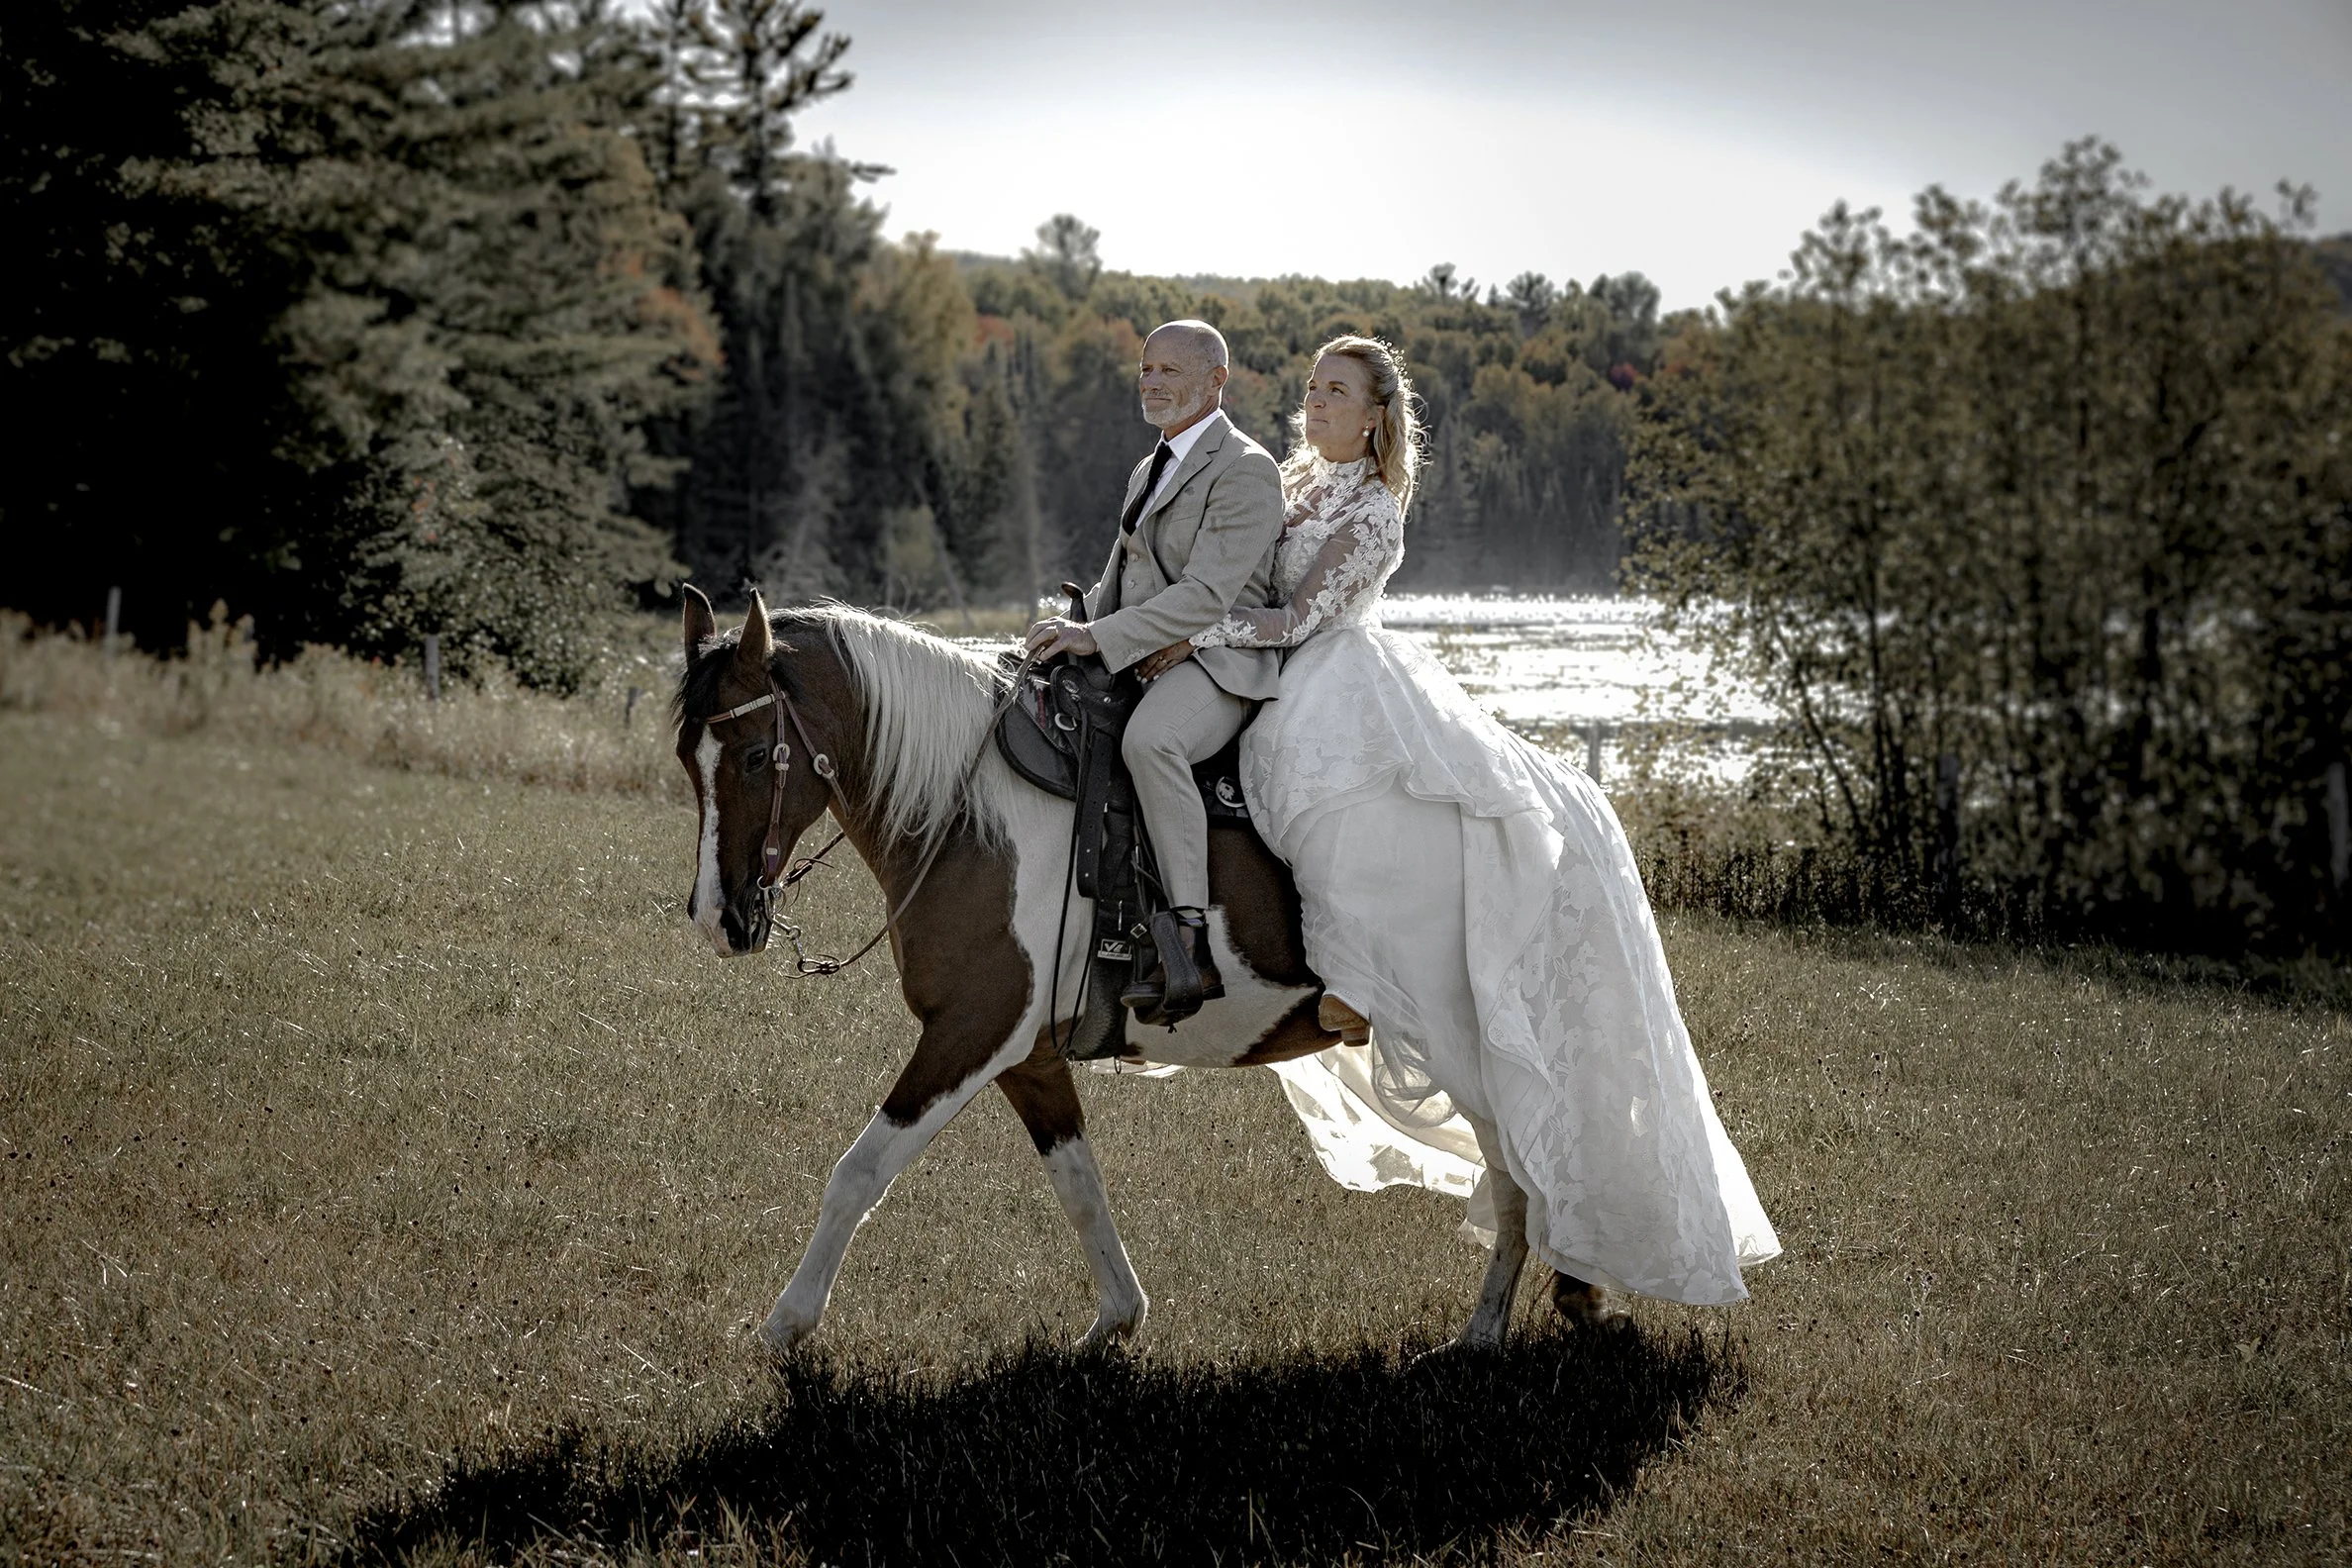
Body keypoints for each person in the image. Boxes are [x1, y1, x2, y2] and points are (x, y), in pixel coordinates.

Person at [1137, 336, 1780, 1309]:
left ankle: (1349, 986)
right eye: (1311, 388)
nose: (1314, 403)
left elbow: (1301, 620)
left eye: (1337, 392)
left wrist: (1195, 633)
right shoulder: (1295, 484)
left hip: (1332, 679)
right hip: (1264, 677)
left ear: (1376, 418)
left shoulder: (1370, 515)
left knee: (1336, 811)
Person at [1024, 320, 1285, 1022]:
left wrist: (1100, 638)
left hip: (1223, 663)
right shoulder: (1150, 466)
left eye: (1170, 369)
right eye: (1146, 369)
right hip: (1147, 650)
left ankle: (1189, 944)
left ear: (1216, 380)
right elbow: (1123, 574)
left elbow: (1207, 596)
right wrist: (1068, 632)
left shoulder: (1247, 468)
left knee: (1151, 742)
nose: (1152, 381)